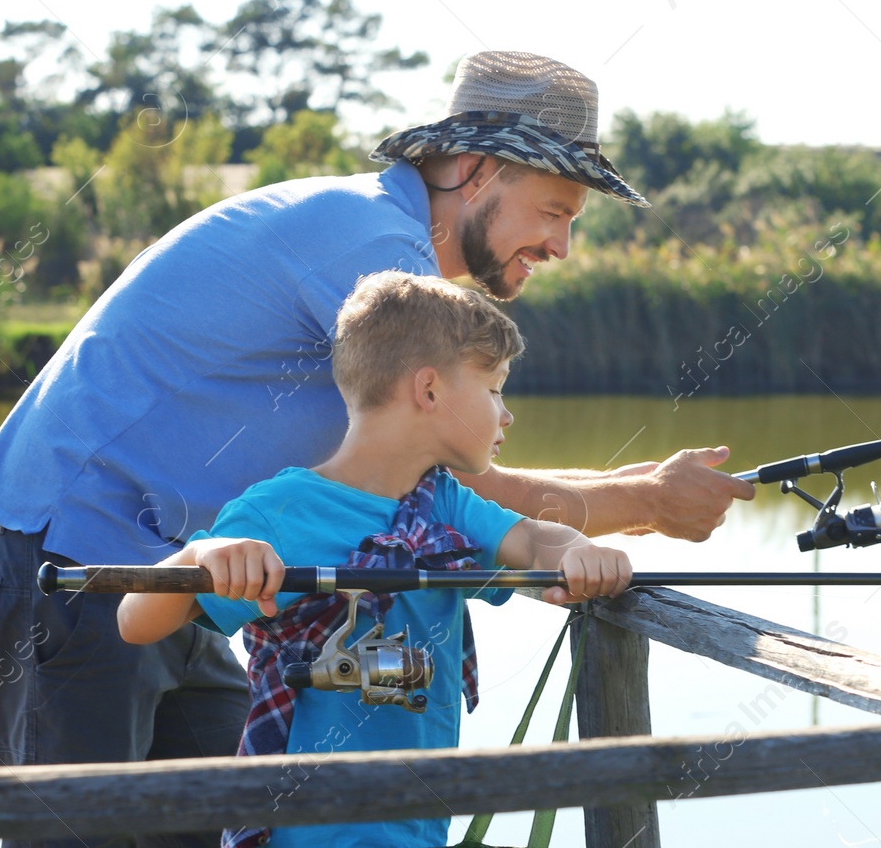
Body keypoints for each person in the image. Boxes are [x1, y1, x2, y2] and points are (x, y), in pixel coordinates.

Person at [0, 51, 753, 848]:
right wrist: (646, 500)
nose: (562, 245)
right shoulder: (376, 250)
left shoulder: (377, 242)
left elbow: (437, 491)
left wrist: (641, 489)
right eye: (554, 209)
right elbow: (451, 482)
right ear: (476, 171)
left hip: (184, 581)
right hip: (71, 570)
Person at [120, 270, 629, 848]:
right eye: (494, 390)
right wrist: (199, 555)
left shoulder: (448, 505)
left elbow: (536, 541)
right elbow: (136, 623)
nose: (506, 413)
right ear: (430, 390)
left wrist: (581, 552)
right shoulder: (279, 512)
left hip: (417, 830)